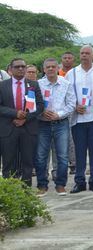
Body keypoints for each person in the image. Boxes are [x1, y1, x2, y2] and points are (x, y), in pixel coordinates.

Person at [66, 45, 93, 193]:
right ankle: (79, 182)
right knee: (79, 152)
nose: (84, 55)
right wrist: (75, 106)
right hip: (78, 119)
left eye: (87, 53)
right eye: (82, 53)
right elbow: (67, 95)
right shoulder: (71, 73)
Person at [35, 58, 76, 196]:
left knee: (62, 156)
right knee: (41, 155)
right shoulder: (37, 85)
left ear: (58, 68)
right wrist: (41, 112)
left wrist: (58, 114)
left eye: (53, 66)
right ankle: (42, 185)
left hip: (61, 123)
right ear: (44, 69)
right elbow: (31, 104)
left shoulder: (66, 84)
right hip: (42, 124)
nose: (51, 69)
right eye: (48, 67)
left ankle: (60, 184)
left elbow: (71, 104)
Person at [0, 58, 44, 186]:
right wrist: (15, 114)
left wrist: (25, 118)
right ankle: (10, 192)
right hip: (8, 128)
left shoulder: (33, 85)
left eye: (23, 67)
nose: (20, 69)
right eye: (17, 67)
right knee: (8, 163)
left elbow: (40, 106)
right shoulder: (2, 85)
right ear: (11, 69)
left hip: (28, 128)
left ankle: (26, 192)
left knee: (27, 162)